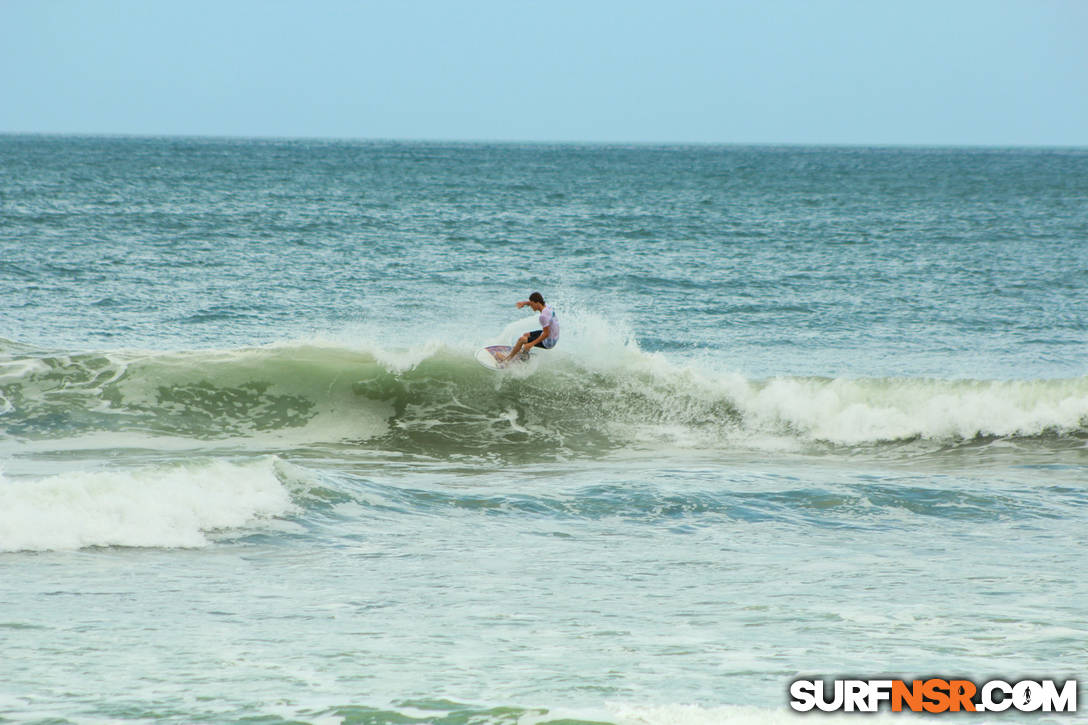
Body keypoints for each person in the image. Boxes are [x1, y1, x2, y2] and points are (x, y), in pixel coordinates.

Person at [501, 292, 559, 361]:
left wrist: (531, 344)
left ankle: (507, 359)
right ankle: (524, 354)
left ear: (537, 303)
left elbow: (546, 334)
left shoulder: (543, 316)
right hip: (553, 335)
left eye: (532, 305)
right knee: (526, 335)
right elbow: (534, 301)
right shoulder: (547, 306)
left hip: (549, 341)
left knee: (521, 339)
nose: (531, 307)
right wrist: (524, 303)